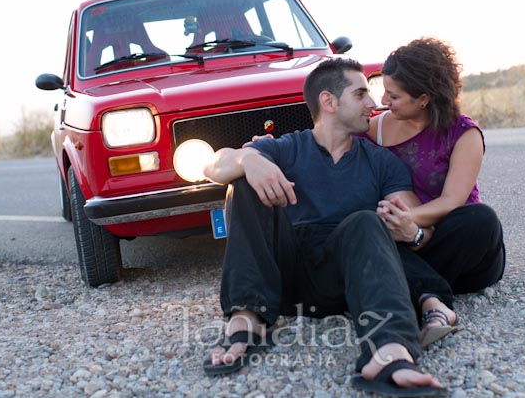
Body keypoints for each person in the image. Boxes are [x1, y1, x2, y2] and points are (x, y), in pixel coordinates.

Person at [203, 58, 447, 397]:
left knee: (365, 220)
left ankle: (388, 350)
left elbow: (417, 220)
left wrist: (411, 230)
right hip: (284, 275)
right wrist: (247, 159)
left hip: (341, 278)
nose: (372, 104)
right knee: (243, 183)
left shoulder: (380, 161)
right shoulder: (287, 147)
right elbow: (212, 165)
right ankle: (246, 319)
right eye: (361, 94)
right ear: (329, 102)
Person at [371, 37, 506, 347]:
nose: (383, 101)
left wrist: (402, 222)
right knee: (363, 233)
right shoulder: (375, 128)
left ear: (423, 98)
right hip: (407, 243)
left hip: (458, 245)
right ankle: (433, 303)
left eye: (393, 95)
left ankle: (405, 288)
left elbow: (453, 201)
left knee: (482, 219)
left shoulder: (463, 133)